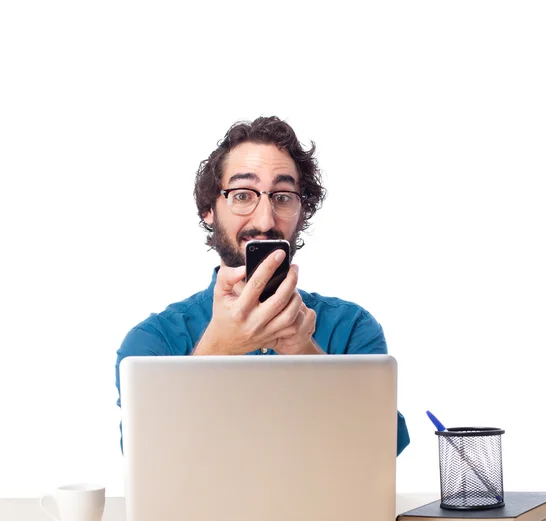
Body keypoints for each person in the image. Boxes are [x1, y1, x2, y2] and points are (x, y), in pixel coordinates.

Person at [115, 116, 409, 455]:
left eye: (283, 196)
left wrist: (305, 352)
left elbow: (384, 449)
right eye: (242, 195)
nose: (265, 220)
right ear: (209, 208)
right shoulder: (152, 340)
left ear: (302, 211)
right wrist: (218, 348)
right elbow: (147, 457)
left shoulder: (353, 327)